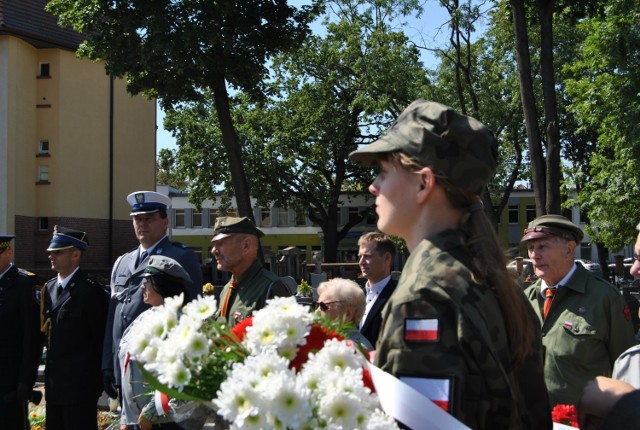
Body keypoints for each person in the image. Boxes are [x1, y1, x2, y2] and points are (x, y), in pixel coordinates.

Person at [349, 99, 550, 429]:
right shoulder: (485, 275)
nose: (374, 186)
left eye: (384, 172)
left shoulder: (423, 297)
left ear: (423, 183)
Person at [521, 214, 636, 407]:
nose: (534, 255)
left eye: (543, 247)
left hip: (583, 421)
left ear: (569, 249)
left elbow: (626, 368)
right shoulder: (525, 298)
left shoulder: (604, 298)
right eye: (531, 248)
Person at [102, 191, 204, 400]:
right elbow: (113, 315)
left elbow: (191, 312)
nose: (142, 224)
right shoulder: (123, 261)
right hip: (124, 365)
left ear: (165, 221)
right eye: (138, 219)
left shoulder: (181, 257)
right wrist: (108, 364)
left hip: (158, 370)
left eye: (149, 219)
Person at [41, 226, 109, 430]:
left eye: (58, 252)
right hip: (54, 387)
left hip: (80, 388)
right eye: (51, 252)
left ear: (76, 254)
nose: (52, 256)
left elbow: (99, 339)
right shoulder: (49, 288)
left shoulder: (90, 290)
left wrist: (97, 384)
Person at [119, 255, 191, 430]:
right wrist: (125, 418)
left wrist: (152, 411)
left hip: (167, 421)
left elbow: (186, 375)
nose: (142, 286)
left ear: (162, 284)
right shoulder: (144, 317)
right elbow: (128, 364)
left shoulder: (181, 322)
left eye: (147, 281)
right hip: (138, 420)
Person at [211, 216, 290, 327]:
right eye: (214, 244)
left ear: (246, 245)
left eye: (221, 243)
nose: (214, 251)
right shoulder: (228, 288)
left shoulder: (272, 288)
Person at [0, 234, 43, 430]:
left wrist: (26, 381)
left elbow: (32, 338)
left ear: (9, 253)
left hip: (10, 381)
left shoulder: (23, 284)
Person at [357, 232, 397, 346]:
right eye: (360, 256)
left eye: (367, 256)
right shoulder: (356, 296)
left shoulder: (398, 297)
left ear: (387, 258)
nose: (361, 262)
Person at [316, 278, 374, 351]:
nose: (316, 312)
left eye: (323, 306)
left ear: (347, 314)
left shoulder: (356, 350)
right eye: (317, 305)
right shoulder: (327, 341)